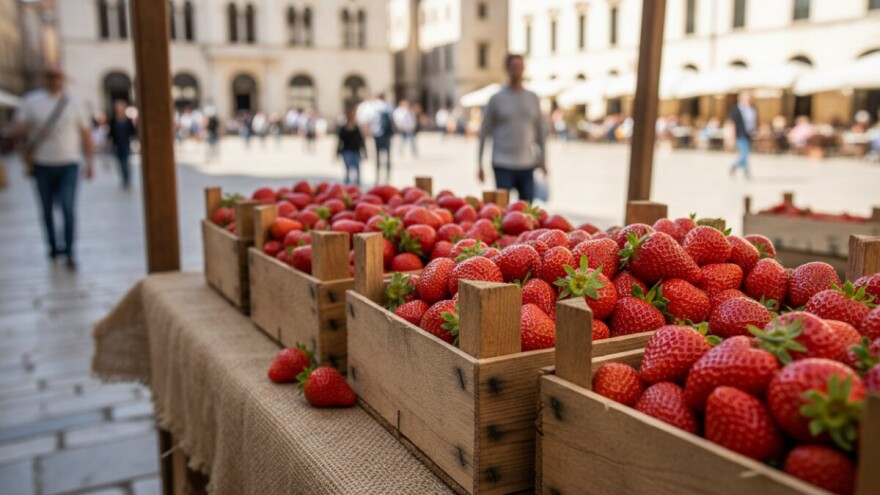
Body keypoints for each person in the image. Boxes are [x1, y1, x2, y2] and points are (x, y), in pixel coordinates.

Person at [11, 65, 94, 269]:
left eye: (57, 76)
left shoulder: (74, 103)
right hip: (42, 164)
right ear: (43, 78)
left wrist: (90, 161)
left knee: (67, 207)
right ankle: (52, 246)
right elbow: (17, 128)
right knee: (46, 209)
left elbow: (85, 134)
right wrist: (31, 127)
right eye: (50, 76)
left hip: (69, 163)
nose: (54, 80)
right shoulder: (31, 102)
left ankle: (69, 250)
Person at [477, 54, 547, 202]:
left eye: (520, 67)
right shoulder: (496, 99)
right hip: (502, 163)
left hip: (527, 164)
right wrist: (479, 164)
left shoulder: (533, 98)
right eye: (514, 67)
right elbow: (484, 132)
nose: (517, 71)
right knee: (503, 210)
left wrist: (543, 159)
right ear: (507, 69)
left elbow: (540, 131)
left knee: (527, 212)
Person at [106, 100, 137, 189]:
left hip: (126, 145)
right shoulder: (113, 121)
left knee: (125, 163)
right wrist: (108, 145)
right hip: (117, 146)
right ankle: (124, 180)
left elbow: (133, 132)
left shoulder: (127, 121)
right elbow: (110, 134)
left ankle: (127, 180)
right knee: (120, 164)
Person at [729, 91, 757, 178]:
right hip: (740, 134)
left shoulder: (752, 108)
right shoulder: (737, 109)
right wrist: (731, 136)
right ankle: (735, 166)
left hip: (749, 134)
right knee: (744, 154)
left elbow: (753, 121)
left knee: (747, 154)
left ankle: (746, 171)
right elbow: (732, 123)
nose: (749, 100)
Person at [367, 94, 394, 183]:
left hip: (377, 134)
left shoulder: (374, 107)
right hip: (386, 134)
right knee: (387, 156)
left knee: (378, 156)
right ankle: (387, 177)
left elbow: (368, 119)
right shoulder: (387, 106)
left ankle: (378, 176)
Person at [337, 107, 367, 186]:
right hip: (347, 151)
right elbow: (339, 141)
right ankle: (347, 186)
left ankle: (357, 187)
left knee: (358, 171)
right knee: (347, 170)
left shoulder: (357, 128)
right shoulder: (343, 129)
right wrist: (337, 152)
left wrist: (365, 152)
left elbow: (361, 141)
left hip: (356, 151)